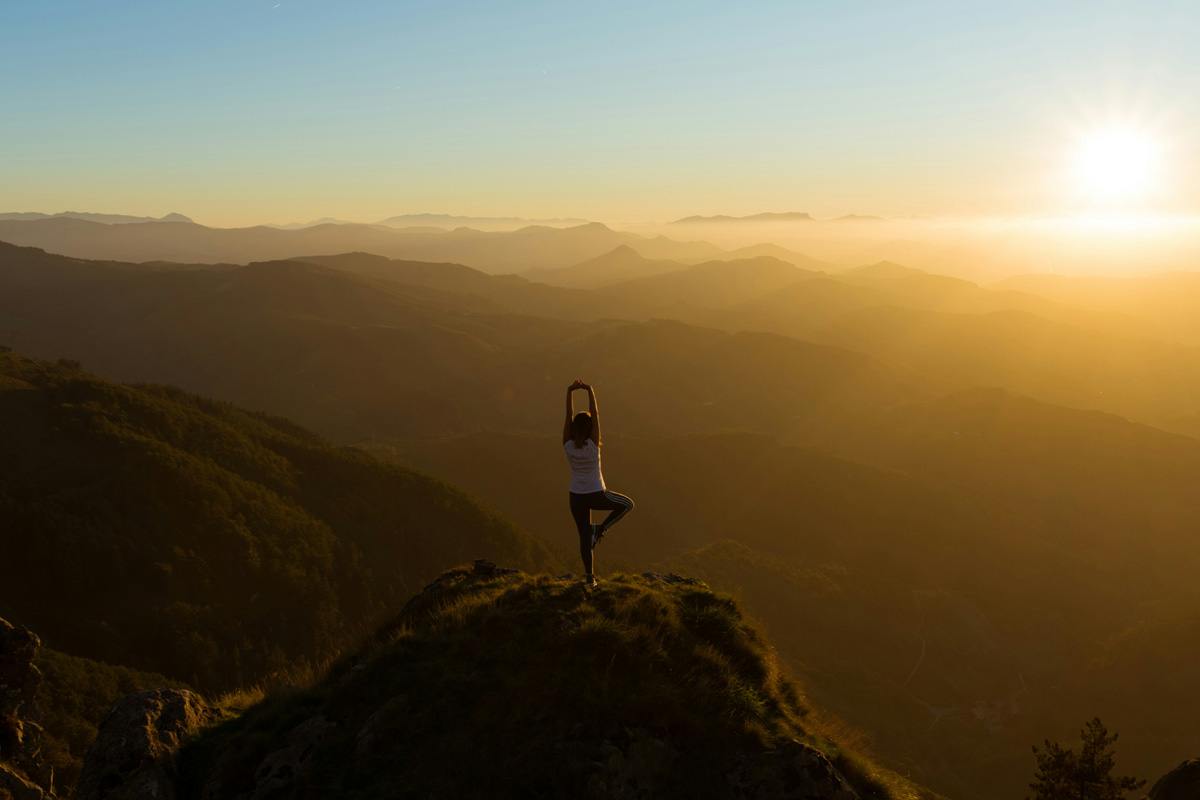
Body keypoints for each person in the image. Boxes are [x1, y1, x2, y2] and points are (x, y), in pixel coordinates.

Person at [563, 380, 634, 587]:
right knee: (628, 505)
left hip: (575, 497)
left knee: (584, 539)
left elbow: (568, 415)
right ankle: (601, 530)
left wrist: (570, 392)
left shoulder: (567, 445)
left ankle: (589, 578)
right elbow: (596, 413)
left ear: (574, 427)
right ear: (590, 428)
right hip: (596, 493)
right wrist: (589, 390)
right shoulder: (593, 445)